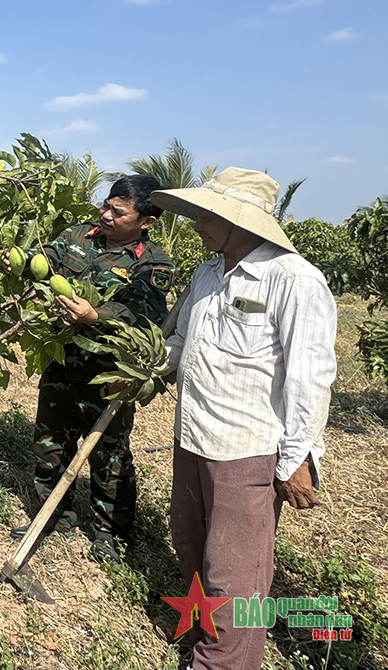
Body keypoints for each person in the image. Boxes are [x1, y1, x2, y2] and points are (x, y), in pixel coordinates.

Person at [152, 167, 337, 670]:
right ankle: (201, 637)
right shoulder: (208, 274)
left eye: (209, 215)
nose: (198, 224)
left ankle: (224, 662)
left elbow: (310, 376)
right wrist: (148, 366)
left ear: (245, 222)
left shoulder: (293, 279)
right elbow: (182, 343)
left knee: (234, 570)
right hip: (193, 434)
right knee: (190, 543)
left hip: (247, 448)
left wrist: (298, 458)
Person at [7, 174, 175, 562]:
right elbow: (43, 260)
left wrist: (95, 314)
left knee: (109, 453)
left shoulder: (154, 263)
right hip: (64, 359)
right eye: (106, 206)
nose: (105, 215)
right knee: (50, 441)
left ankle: (109, 533)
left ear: (146, 221)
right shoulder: (78, 237)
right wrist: (16, 259)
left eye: (117, 212)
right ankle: (55, 518)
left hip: (112, 370)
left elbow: (143, 309)